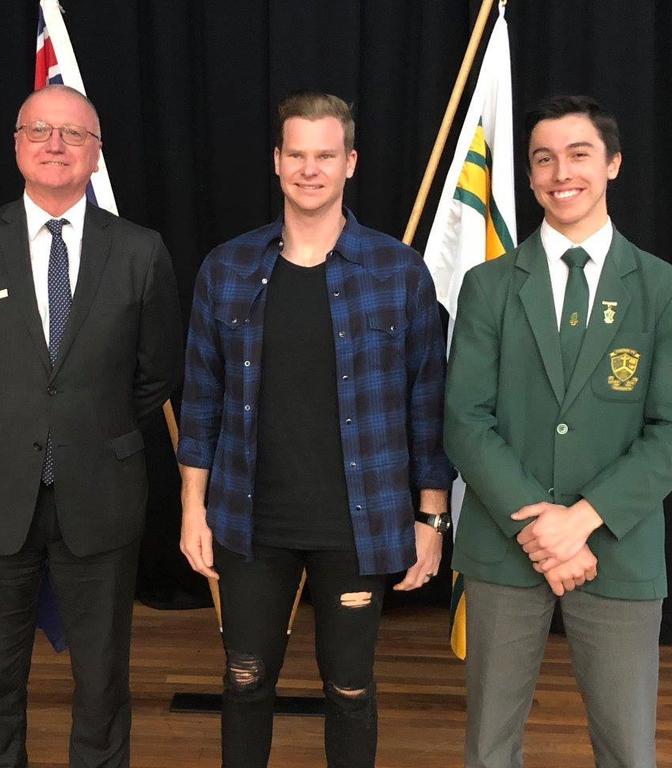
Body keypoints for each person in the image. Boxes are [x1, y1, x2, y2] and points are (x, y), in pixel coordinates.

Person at [178, 91, 454, 768]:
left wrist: (432, 519)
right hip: (248, 521)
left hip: (357, 526)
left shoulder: (398, 271)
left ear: (350, 162)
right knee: (244, 681)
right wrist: (193, 508)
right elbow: (202, 398)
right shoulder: (228, 268)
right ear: (277, 161)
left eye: (324, 155)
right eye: (296, 154)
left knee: (351, 688)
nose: (310, 169)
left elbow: (428, 400)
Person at [0, 84, 183, 768]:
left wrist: (86, 432)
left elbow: (156, 374)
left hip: (100, 495)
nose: (56, 145)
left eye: (74, 135)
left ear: (96, 155)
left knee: (102, 682)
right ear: (16, 145)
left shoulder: (141, 251)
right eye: (40, 131)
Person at [445, 95, 672, 768]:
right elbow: (464, 419)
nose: (563, 172)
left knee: (626, 749)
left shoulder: (665, 289)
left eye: (580, 154)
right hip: (506, 550)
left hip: (616, 548)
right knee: (489, 747)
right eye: (544, 159)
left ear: (613, 164)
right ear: (529, 177)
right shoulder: (488, 285)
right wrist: (540, 526)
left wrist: (581, 520)